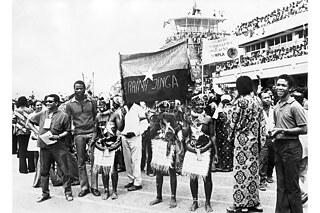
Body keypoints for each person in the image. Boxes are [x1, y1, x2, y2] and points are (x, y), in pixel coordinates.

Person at [227, 76, 266, 213]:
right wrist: (262, 140)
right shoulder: (258, 101)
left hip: (241, 141)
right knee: (253, 173)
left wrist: (230, 137)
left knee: (240, 172)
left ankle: (239, 203)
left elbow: (232, 123)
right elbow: (262, 123)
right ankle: (254, 202)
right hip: (254, 141)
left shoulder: (239, 102)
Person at [270, 74, 307, 213]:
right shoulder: (276, 106)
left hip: (292, 148)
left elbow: (304, 129)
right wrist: (274, 132)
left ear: (290, 88)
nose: (279, 88)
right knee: (281, 186)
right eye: (278, 85)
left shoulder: (295, 106)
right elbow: (278, 126)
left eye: (283, 85)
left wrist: (282, 130)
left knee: (292, 188)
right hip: (279, 147)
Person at [27, 94, 73, 202]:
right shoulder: (42, 114)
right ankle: (45, 193)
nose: (47, 103)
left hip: (58, 146)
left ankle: (68, 192)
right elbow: (29, 122)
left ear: (56, 103)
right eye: (46, 101)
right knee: (44, 170)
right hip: (44, 145)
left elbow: (68, 131)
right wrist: (37, 132)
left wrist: (59, 136)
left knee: (64, 170)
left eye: (50, 101)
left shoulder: (64, 116)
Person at [182, 96, 218, 213]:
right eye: (197, 104)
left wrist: (216, 152)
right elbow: (185, 134)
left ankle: (207, 202)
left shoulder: (208, 119)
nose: (199, 107)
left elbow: (212, 135)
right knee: (193, 177)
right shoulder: (188, 118)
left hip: (205, 149)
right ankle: (195, 201)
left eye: (201, 104)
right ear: (192, 106)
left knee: (207, 177)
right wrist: (186, 122)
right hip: (192, 149)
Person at [65, 80, 99, 197]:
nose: (78, 90)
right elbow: (68, 121)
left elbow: (96, 118)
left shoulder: (92, 101)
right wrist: (69, 137)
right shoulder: (69, 104)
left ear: (84, 89)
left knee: (95, 161)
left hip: (91, 133)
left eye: (81, 88)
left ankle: (94, 187)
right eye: (76, 88)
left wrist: (95, 132)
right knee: (81, 161)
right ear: (73, 89)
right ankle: (84, 187)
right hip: (78, 134)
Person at [149, 102, 183, 208]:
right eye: (161, 108)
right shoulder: (155, 118)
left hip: (169, 145)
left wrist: (173, 133)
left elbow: (178, 130)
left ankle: (173, 197)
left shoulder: (172, 117)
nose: (164, 111)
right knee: (159, 171)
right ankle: (159, 196)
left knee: (171, 171)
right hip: (159, 145)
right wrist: (156, 121)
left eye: (165, 109)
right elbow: (151, 133)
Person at [121, 101, 147, 191]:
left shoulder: (138, 109)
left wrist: (135, 133)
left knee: (136, 160)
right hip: (124, 137)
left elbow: (145, 124)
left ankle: (138, 182)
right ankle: (131, 179)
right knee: (127, 160)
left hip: (135, 137)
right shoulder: (123, 109)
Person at [258, 89, 275, 191]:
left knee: (272, 159)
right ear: (260, 99)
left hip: (274, 138)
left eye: (268, 97)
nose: (267, 99)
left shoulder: (275, 110)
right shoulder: (258, 111)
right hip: (263, 138)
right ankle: (262, 180)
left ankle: (269, 175)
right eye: (264, 97)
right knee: (263, 159)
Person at [13, 96, 35, 174]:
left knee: (22, 150)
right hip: (29, 130)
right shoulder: (30, 110)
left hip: (20, 131)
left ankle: (23, 169)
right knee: (30, 149)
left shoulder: (16, 111)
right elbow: (33, 120)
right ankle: (32, 167)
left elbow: (14, 120)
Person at [212, 94, 233, 172]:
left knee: (228, 148)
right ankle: (221, 165)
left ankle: (228, 166)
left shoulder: (230, 110)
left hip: (228, 132)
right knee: (220, 148)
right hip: (220, 132)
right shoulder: (218, 110)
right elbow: (215, 121)